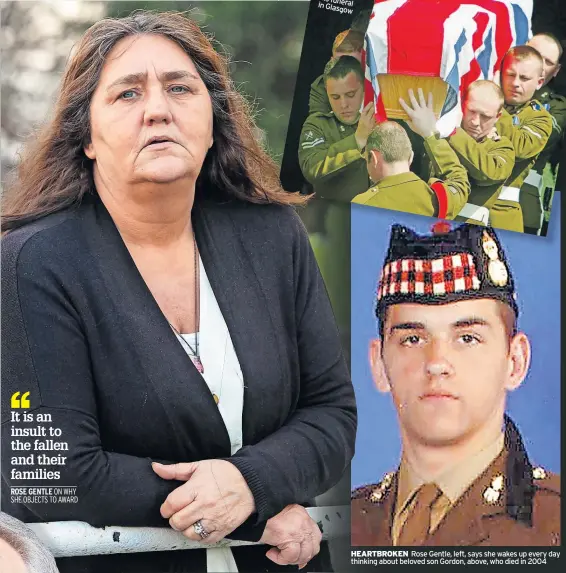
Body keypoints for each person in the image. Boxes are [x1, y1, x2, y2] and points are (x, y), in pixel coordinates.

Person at [1, 11, 357, 573]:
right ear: (86, 138)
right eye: (126, 94)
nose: (158, 109)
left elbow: (332, 413)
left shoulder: (271, 236)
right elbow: (50, 474)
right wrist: (249, 512)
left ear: (213, 120)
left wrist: (251, 481)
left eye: (179, 87)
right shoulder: (34, 261)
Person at [351, 222, 560, 546]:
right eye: (412, 339)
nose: (436, 362)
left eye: (467, 337)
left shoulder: (552, 522)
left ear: (514, 362)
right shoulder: (344, 522)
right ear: (379, 365)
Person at [353, 89, 470, 219]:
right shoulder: (437, 200)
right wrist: (430, 134)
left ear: (374, 159)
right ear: (411, 157)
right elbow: (459, 181)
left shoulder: (361, 206)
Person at [490, 46, 553, 232]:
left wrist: (493, 103)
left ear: (539, 82)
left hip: (501, 213)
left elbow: (520, 147)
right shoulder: (477, 98)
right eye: (510, 74)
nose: (515, 83)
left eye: (524, 78)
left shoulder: (540, 118)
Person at [298, 56, 373, 201]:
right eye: (335, 97)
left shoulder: (380, 118)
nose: (343, 104)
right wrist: (357, 141)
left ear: (365, 88)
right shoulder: (318, 124)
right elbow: (311, 168)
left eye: (350, 95)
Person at [443, 81, 515, 227]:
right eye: (472, 111)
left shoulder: (502, 147)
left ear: (498, 117)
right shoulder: (441, 132)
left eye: (485, 116)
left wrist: (453, 132)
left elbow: (490, 173)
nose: (475, 122)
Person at [521, 33, 566, 235]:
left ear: (555, 71)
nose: (539, 64)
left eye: (547, 62)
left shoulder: (557, 107)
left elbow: (533, 144)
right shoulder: (489, 85)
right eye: (534, 54)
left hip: (522, 203)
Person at [309, 29, 364, 115]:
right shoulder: (322, 85)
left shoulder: (381, 80)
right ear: (331, 61)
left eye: (353, 64)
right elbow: (319, 123)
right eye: (339, 63)